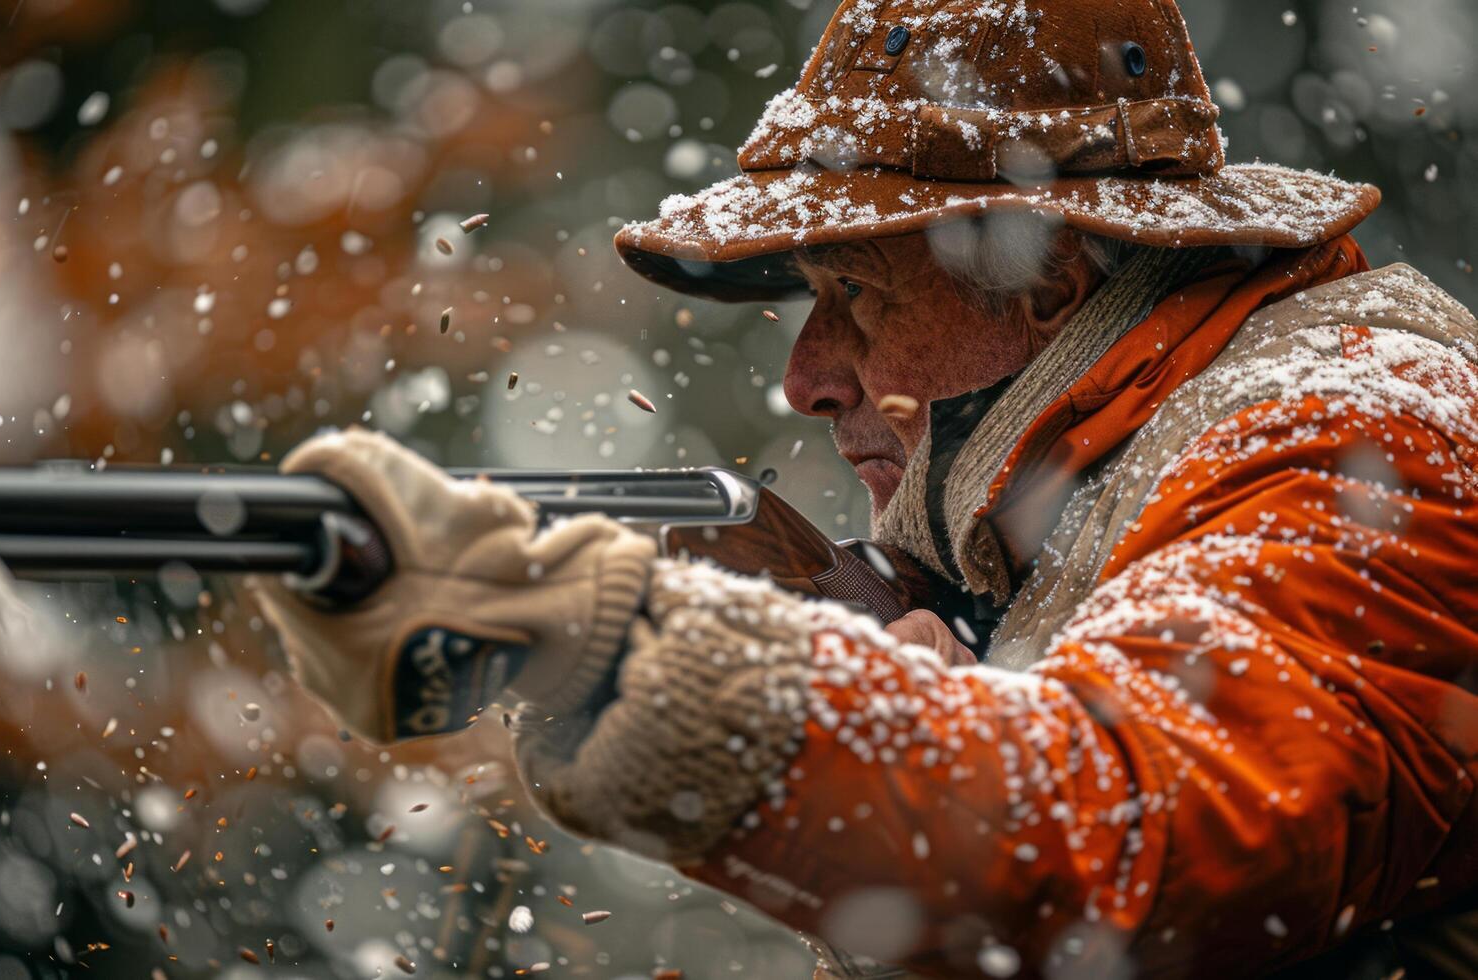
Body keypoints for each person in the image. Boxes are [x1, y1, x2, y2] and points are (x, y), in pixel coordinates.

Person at [252, 0, 1478, 975]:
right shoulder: (1079, 505)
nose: (803, 377)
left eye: (858, 297)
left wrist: (619, 649)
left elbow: (1120, 844)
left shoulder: (1354, 434)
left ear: (1045, 272)